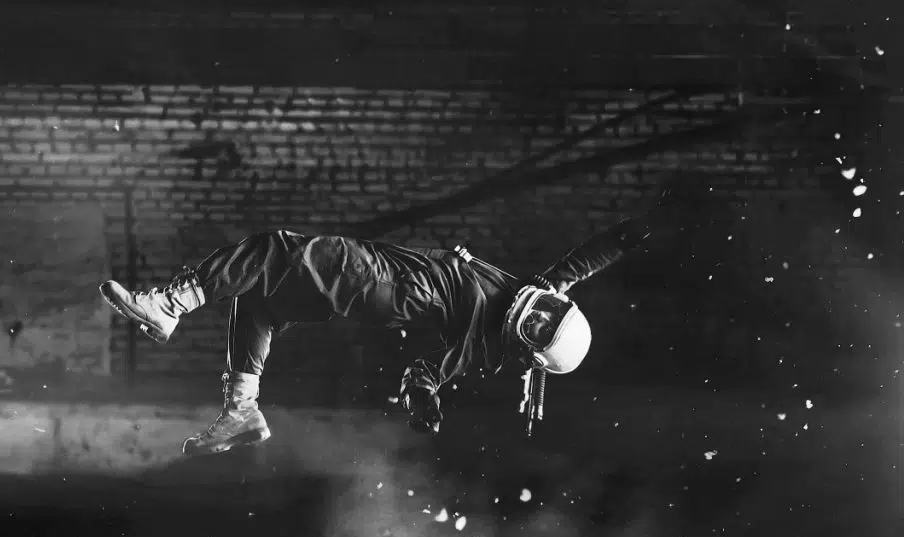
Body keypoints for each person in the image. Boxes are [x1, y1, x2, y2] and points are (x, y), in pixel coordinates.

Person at [99, 196, 690, 457]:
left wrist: (423, 399)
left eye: (538, 328)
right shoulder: (537, 292)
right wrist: (641, 228)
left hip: (384, 283)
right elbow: (586, 259)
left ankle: (172, 303)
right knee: (259, 301)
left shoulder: (482, 343)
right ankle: (241, 410)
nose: (534, 312)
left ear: (529, 353)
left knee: (273, 249)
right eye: (548, 311)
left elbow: (428, 371)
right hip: (380, 284)